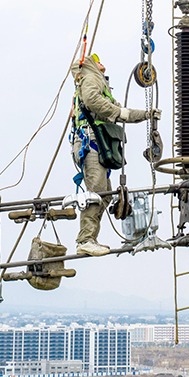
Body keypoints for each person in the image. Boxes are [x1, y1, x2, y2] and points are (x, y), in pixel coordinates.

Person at [71, 54, 160, 256]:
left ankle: (89, 237)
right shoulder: (91, 77)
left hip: (95, 143)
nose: (101, 62)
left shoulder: (97, 82)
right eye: (95, 59)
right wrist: (120, 114)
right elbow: (93, 100)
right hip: (90, 142)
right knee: (97, 192)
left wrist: (145, 115)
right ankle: (86, 240)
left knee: (105, 192)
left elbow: (119, 110)